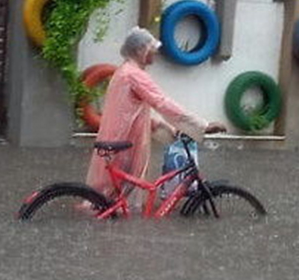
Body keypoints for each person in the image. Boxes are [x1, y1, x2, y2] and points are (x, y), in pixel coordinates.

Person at [85, 27, 226, 199]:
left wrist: (162, 126)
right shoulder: (135, 75)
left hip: (120, 136)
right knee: (120, 193)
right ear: (140, 50)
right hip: (126, 141)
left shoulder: (124, 71)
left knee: (116, 191)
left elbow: (129, 111)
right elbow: (163, 102)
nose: (155, 55)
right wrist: (202, 125)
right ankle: (113, 223)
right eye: (152, 50)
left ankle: (109, 216)